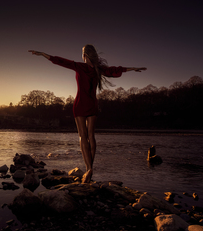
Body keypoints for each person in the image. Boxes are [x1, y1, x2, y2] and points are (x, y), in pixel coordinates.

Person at [29, 45, 146, 183]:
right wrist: (132, 69)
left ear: (84, 54)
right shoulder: (98, 69)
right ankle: (90, 169)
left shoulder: (80, 66)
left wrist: (44, 54)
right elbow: (114, 70)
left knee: (82, 136)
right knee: (91, 135)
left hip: (80, 104)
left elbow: (62, 61)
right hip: (92, 105)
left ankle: (88, 168)